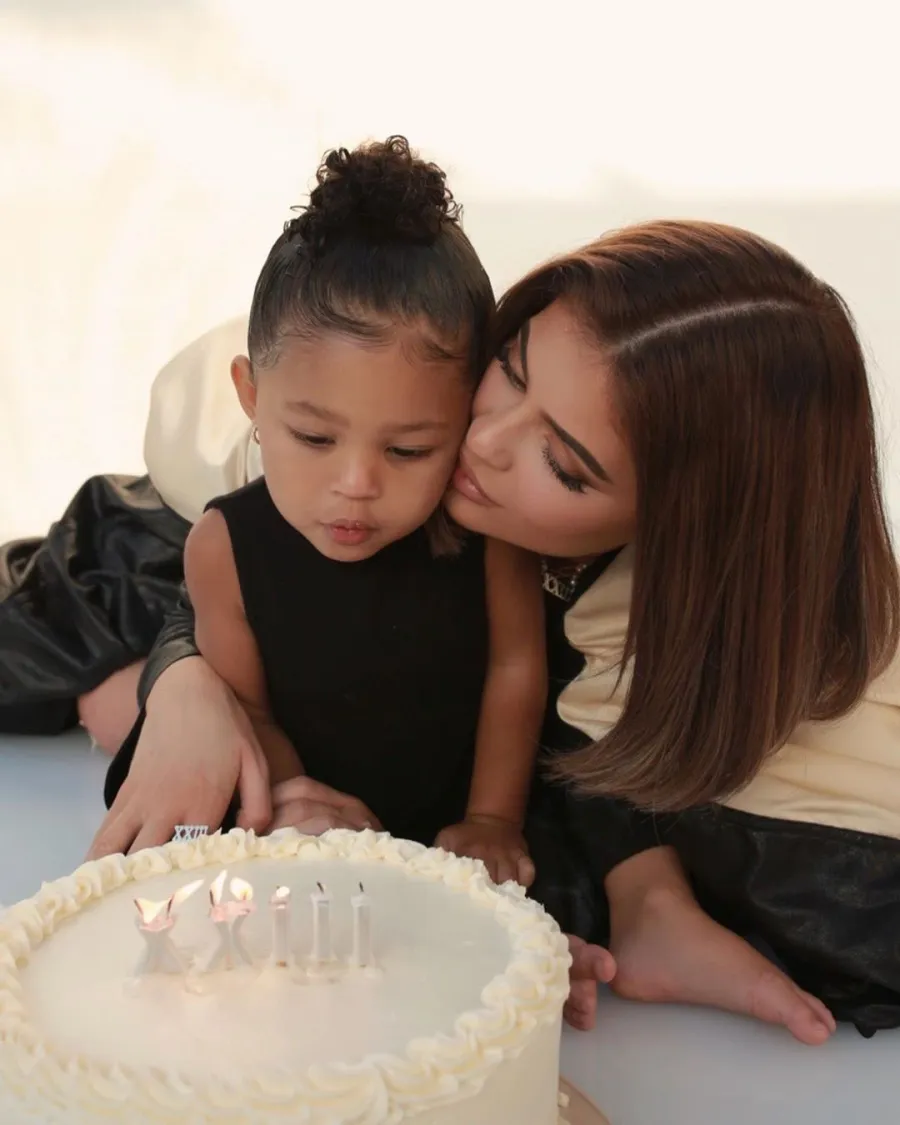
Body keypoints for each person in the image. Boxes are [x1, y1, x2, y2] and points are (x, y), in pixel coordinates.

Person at [91, 218, 900, 1045]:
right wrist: (184, 683)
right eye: (507, 374)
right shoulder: (364, 443)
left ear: (679, 529)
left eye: (565, 465)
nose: (479, 442)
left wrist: (642, 895)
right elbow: (176, 552)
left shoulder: (689, 660)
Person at [177, 136, 543, 884]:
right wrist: (299, 802)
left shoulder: (487, 538)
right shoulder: (223, 546)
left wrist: (494, 818)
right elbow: (248, 706)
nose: (356, 483)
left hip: (455, 838)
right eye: (313, 436)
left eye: (408, 450)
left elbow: (515, 670)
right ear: (251, 395)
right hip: (311, 853)